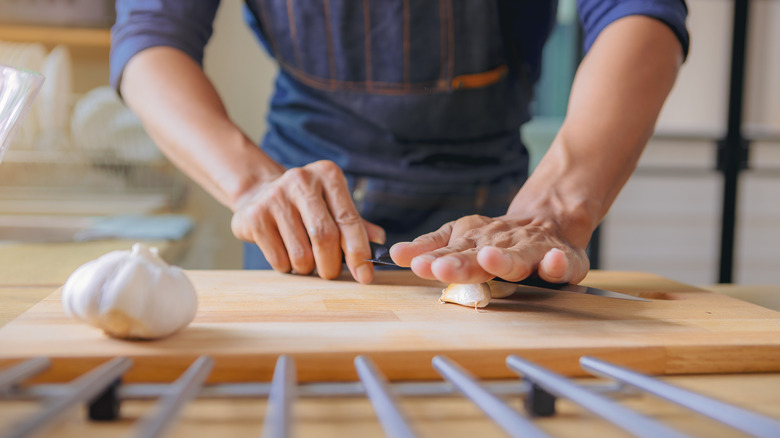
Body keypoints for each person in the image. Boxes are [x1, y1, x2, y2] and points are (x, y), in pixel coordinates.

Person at [110, 0, 689, 286]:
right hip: (297, 217)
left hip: (498, 216)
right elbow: (150, 40)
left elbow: (638, 12)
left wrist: (557, 207)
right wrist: (252, 184)